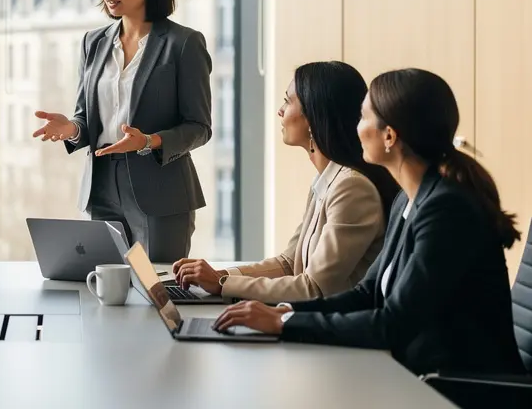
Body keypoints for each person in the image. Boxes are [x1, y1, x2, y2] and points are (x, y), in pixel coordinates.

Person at [213, 68, 524, 377]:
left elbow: (393, 323)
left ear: (389, 135)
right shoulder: (408, 199)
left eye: (362, 117)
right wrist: (284, 313)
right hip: (415, 376)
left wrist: (282, 324)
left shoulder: (446, 210)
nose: (355, 127)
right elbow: (367, 294)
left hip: (461, 388)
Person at [32, 0, 212, 262]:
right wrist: (72, 129)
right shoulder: (94, 43)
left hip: (160, 191)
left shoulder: (183, 44)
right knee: (106, 287)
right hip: (101, 186)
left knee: (156, 287)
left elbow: (199, 127)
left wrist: (148, 141)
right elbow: (87, 118)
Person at [173, 61, 397, 303]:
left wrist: (221, 284)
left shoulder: (352, 189)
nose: (280, 111)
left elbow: (313, 288)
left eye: (288, 101)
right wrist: (219, 276)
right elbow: (288, 263)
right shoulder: (327, 180)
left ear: (312, 115)